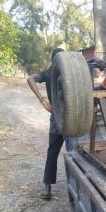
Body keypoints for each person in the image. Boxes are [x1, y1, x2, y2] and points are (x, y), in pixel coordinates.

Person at [27, 48, 64, 200]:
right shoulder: (50, 73)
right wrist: (44, 101)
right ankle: (47, 184)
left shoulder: (65, 71)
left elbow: (30, 79)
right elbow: (30, 79)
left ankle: (47, 186)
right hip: (60, 117)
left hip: (69, 116)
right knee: (53, 151)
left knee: (74, 153)